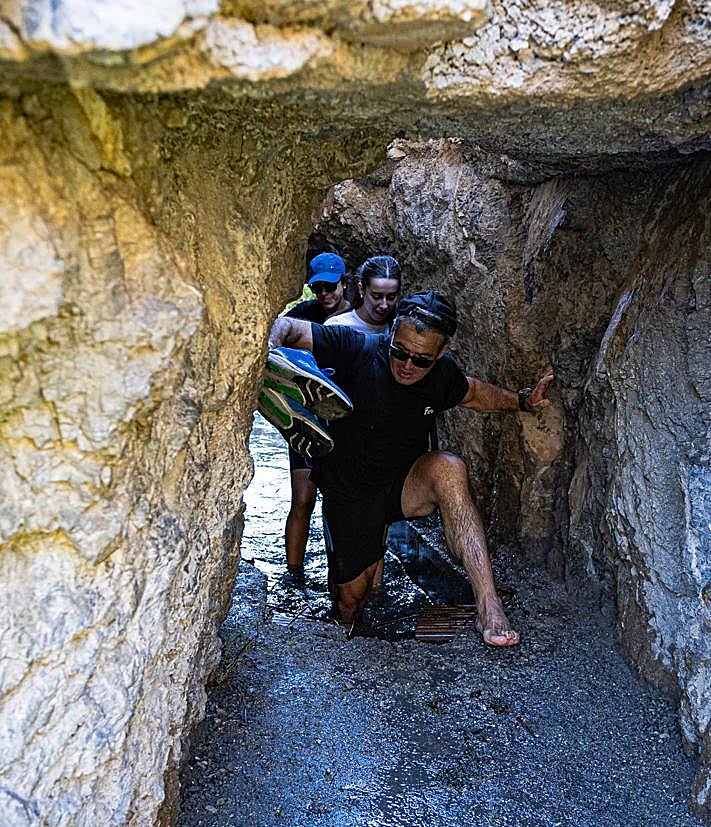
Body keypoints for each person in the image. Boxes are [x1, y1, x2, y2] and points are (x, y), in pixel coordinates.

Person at [266, 290, 555, 647]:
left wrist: (523, 402)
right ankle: (339, 644)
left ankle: (489, 607)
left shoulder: (442, 375)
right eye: (399, 352)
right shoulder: (357, 348)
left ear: (442, 352)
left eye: (421, 360)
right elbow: (289, 327)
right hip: (351, 493)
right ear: (391, 335)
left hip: (402, 484)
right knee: (352, 600)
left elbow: (476, 394)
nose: (407, 365)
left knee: (449, 468)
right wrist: (270, 346)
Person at [281, 252, 350, 570]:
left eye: (330, 287)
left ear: (345, 284)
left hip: (347, 426)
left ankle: (342, 574)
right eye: (318, 287)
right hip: (305, 423)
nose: (324, 294)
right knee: (303, 500)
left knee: (343, 503)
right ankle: (293, 575)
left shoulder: (360, 321)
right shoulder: (303, 316)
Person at [324, 255, 401, 334]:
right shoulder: (336, 327)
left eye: (391, 297)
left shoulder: (401, 328)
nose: (384, 305)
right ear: (361, 289)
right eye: (376, 297)